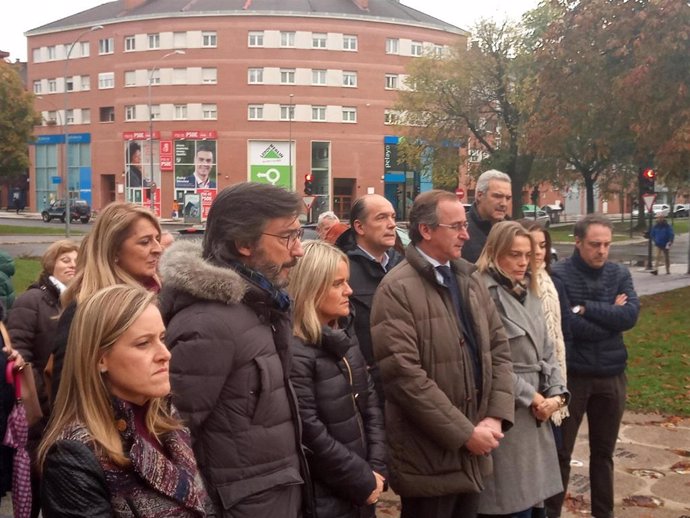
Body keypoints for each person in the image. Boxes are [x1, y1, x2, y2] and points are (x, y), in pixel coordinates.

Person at [159, 182, 311, 518]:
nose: (298, 250)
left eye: (299, 234)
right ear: (243, 243)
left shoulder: (261, 308)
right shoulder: (209, 325)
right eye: (288, 237)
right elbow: (171, 439)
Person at [370, 189, 514, 518]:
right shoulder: (396, 289)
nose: (466, 234)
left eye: (465, 225)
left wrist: (494, 416)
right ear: (426, 230)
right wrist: (464, 434)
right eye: (456, 226)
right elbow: (404, 378)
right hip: (428, 460)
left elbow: (500, 350)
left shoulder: (468, 278)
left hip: (474, 451)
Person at [38, 285, 212, 517]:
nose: (165, 354)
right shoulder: (74, 457)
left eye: (162, 338)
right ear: (100, 359)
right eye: (143, 343)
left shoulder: (167, 419)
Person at [546, 214, 640, 518]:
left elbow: (630, 317)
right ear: (577, 242)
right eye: (594, 244)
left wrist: (588, 308)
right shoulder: (559, 275)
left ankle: (604, 513)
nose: (602, 251)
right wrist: (610, 315)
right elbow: (568, 324)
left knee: (604, 455)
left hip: (612, 377)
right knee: (561, 454)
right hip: (574, 378)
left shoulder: (618, 273)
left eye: (606, 245)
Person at [475, 221, 569, 517]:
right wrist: (533, 397)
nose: (523, 262)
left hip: (538, 414)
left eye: (527, 255)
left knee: (534, 504)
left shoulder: (530, 291)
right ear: (494, 252)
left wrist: (557, 394)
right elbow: (487, 360)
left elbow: (548, 350)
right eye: (514, 254)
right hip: (509, 414)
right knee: (509, 506)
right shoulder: (482, 292)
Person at [288, 240, 387, 518]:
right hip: (326, 496)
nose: (349, 291)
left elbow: (370, 407)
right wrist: (360, 477)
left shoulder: (343, 336)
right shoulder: (296, 352)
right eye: (337, 284)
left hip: (363, 488)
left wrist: (376, 468)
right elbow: (310, 432)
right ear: (311, 287)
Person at [50, 202, 163, 402]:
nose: (158, 249)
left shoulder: (153, 300)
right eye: (145, 242)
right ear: (114, 250)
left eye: (157, 239)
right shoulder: (84, 310)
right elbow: (66, 397)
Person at [334, 194, 402, 405]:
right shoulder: (342, 270)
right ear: (360, 227)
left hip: (404, 381)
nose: (391, 225)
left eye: (393, 217)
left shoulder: (404, 266)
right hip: (366, 387)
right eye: (381, 218)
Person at [521, 220, 570, 427]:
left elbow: (566, 327)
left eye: (543, 245)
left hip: (555, 372)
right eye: (533, 245)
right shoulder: (519, 284)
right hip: (530, 379)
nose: (539, 251)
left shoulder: (552, 280)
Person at [463, 170, 512, 263]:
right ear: (480, 195)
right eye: (497, 196)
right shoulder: (461, 230)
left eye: (508, 198)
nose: (504, 203)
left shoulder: (513, 231)